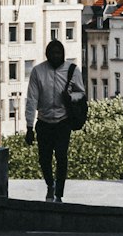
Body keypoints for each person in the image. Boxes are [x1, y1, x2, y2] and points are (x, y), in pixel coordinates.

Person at [24, 37, 86, 204]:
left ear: (63, 54)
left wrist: (70, 97)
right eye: (52, 53)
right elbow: (31, 99)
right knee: (44, 158)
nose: (56, 56)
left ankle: (59, 191)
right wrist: (29, 126)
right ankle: (49, 184)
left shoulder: (72, 70)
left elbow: (81, 93)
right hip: (43, 121)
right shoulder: (38, 71)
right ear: (47, 54)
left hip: (62, 120)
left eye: (59, 53)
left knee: (61, 156)